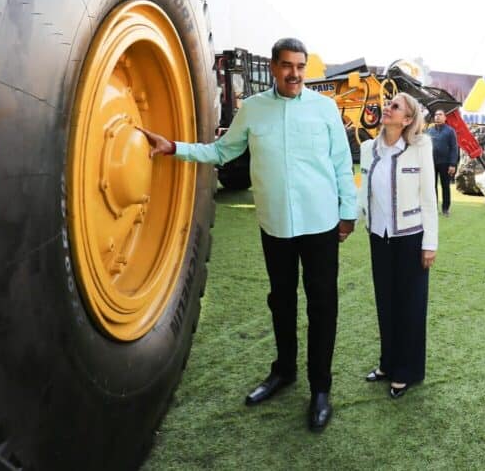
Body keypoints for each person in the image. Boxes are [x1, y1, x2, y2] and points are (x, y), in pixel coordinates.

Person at [139, 37, 356, 431]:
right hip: (275, 224)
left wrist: (348, 212)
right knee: (281, 300)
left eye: (301, 66)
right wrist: (174, 147)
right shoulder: (252, 110)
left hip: (321, 223)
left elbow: (342, 163)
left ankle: (320, 389)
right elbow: (222, 152)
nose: (295, 74)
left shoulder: (325, 109)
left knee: (323, 305)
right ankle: (284, 371)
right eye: (288, 65)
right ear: (274, 67)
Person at [358, 93, 438, 398]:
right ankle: (387, 364)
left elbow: (428, 196)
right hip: (379, 237)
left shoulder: (420, 147)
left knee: (411, 306)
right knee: (386, 302)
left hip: (412, 238)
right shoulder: (368, 148)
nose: (387, 109)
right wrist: (349, 220)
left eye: (395, 107)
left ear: (407, 119)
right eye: (388, 103)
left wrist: (429, 243)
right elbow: (363, 190)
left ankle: (407, 371)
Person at [426, 109, 459, 216]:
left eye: (440, 115)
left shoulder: (450, 131)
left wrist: (453, 164)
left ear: (445, 118)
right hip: (431, 163)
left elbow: (454, 148)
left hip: (445, 163)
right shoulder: (429, 131)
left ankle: (445, 209)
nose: (437, 117)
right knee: (432, 187)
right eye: (436, 115)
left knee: (445, 186)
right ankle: (433, 208)